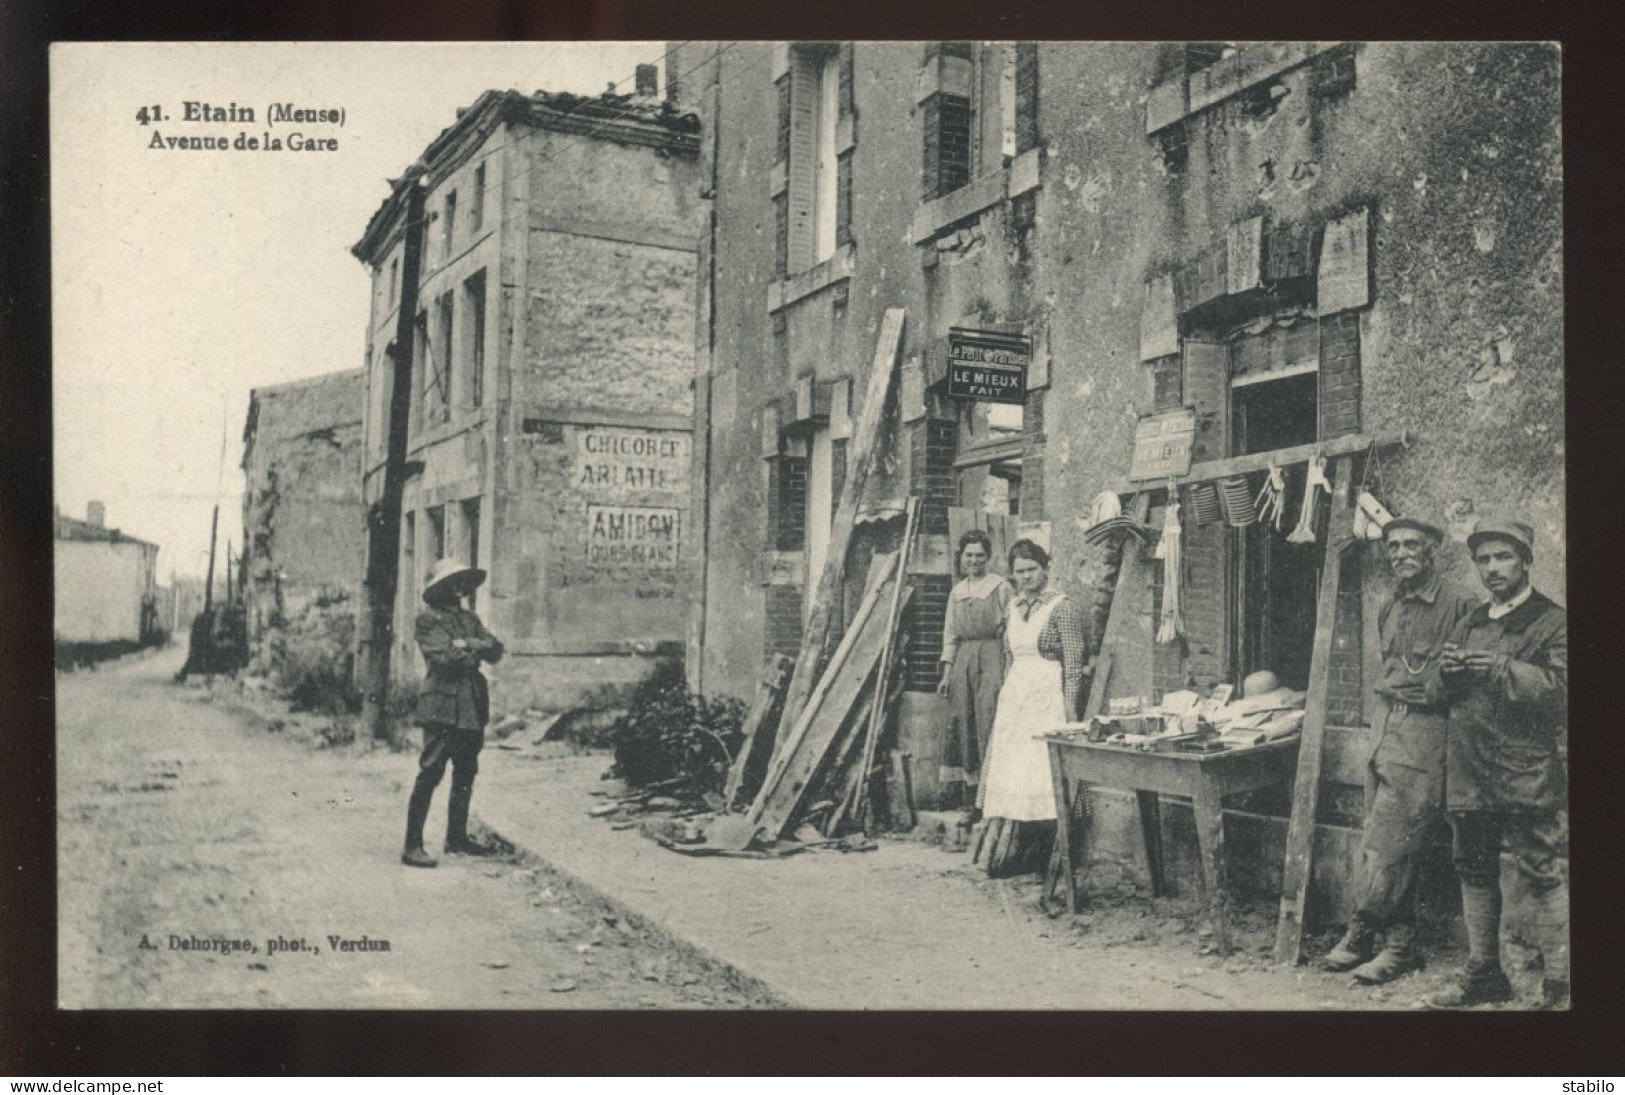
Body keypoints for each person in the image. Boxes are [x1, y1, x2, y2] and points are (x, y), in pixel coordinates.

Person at [1322, 516, 1479, 983]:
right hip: (1385, 727)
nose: (1402, 553)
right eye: (1393, 546)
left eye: (1412, 545)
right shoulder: (1390, 603)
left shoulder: (1460, 605)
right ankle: (1397, 942)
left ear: (1432, 551)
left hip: (1428, 733)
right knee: (1391, 845)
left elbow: (1467, 685)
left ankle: (1364, 931)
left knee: (1387, 843)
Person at [1427, 517, 1568, 1009]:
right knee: (1475, 869)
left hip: (1524, 770)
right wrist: (1445, 674)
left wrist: (1505, 668)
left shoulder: (1553, 620)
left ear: (1526, 560)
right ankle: (1484, 974)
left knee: (1540, 869)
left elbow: (1566, 694)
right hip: (1470, 770)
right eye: (1483, 559)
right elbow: (1437, 695)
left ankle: (1561, 985)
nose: (1492, 568)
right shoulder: (1469, 621)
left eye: (1503, 557)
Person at [975, 540, 1089, 877]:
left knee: (1043, 770)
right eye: (1019, 571)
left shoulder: (1061, 607)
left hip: (1047, 695)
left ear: (1045, 568)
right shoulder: (1013, 607)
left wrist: (1070, 706)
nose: (1026, 577)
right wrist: (1007, 699)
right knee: (1015, 770)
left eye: (1032, 569)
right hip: (1017, 698)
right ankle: (1022, 849)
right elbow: (1010, 656)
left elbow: (1073, 659)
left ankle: (1049, 855)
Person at [401, 558, 506, 868]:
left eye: (462, 582)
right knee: (431, 771)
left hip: (471, 705)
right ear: (441, 588)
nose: (459, 588)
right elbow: (447, 657)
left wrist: (468, 642)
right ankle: (412, 844)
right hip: (441, 706)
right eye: (452, 583)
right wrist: (474, 647)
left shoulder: (470, 620)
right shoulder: (427, 620)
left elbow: (496, 649)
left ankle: (456, 838)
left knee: (466, 771)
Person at [936, 529, 1013, 812]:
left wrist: (1008, 669)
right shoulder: (957, 592)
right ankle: (969, 795)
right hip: (962, 662)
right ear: (961, 557)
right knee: (962, 721)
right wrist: (947, 673)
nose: (974, 561)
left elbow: (1012, 629)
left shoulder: (1001, 587)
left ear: (988, 557)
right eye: (969, 555)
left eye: (980, 555)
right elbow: (949, 634)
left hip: (992, 657)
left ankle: (991, 794)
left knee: (988, 718)